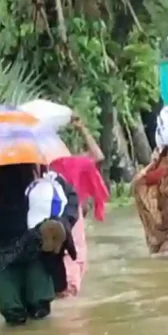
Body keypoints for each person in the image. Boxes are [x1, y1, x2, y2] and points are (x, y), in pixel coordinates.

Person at [0, 163, 79, 326]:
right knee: (12, 311)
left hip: (37, 247)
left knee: (39, 306)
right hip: (2, 251)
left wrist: (60, 223)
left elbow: (70, 199)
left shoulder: (38, 163)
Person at [49, 116, 109, 298]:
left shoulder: (40, 166)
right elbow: (98, 156)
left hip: (45, 219)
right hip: (71, 218)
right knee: (74, 255)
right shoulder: (73, 163)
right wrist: (82, 129)